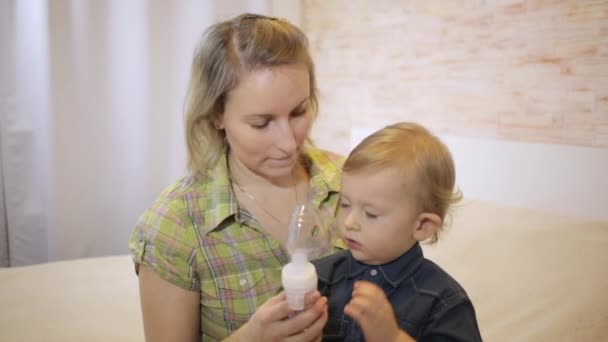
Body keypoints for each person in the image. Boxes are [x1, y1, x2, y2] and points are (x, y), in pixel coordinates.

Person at [129, 13, 344, 341]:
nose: (288, 143)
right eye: (262, 123)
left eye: (299, 112)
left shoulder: (351, 184)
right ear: (217, 114)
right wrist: (253, 336)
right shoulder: (175, 226)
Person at [314, 122, 483, 341]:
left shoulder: (443, 301)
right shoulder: (321, 277)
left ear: (422, 226)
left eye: (371, 214)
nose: (350, 222)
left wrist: (392, 337)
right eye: (345, 204)